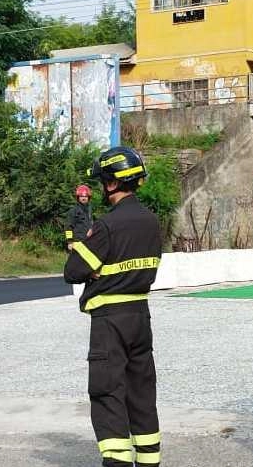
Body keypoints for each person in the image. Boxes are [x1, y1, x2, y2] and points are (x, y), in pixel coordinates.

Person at [64, 146, 162, 467]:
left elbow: (73, 271)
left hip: (110, 320)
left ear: (110, 184)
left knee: (108, 391)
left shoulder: (107, 226)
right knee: (141, 390)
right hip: (140, 317)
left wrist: (94, 266)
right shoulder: (151, 222)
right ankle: (148, 460)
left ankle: (118, 462)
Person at [65, 184, 94, 250]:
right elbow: (68, 227)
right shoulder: (73, 211)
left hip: (89, 242)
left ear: (88, 198)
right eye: (81, 196)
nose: (84, 198)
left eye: (86, 196)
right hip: (77, 243)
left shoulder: (89, 210)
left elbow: (91, 224)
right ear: (78, 198)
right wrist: (70, 242)